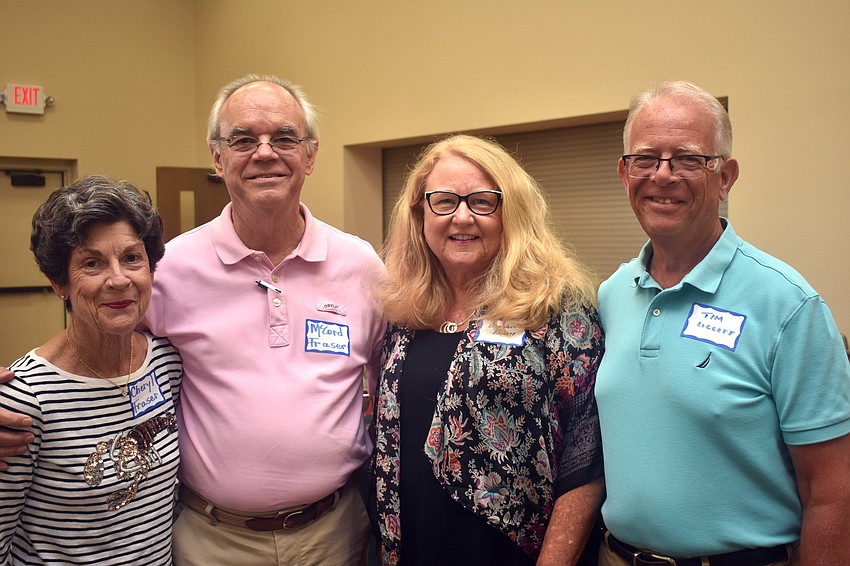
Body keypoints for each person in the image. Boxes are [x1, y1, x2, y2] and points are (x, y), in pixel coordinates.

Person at [1, 75, 385, 566]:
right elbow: (98, 338)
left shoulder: (360, 266)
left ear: (310, 155)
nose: (264, 152)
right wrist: (20, 390)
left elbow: (395, 377)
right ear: (217, 158)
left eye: (284, 137)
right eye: (243, 140)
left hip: (333, 532)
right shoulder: (169, 268)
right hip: (211, 540)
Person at [595, 80, 850, 566]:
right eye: (646, 159)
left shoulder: (788, 305)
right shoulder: (612, 294)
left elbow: (832, 492)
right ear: (625, 173)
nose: (663, 176)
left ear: (726, 176)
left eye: (688, 159)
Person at [371, 134, 604, 566]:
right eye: (443, 201)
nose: (462, 217)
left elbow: (586, 452)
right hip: (414, 544)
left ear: (509, 212)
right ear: (420, 213)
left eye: (482, 201)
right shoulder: (404, 311)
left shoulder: (555, 305)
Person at [0, 175, 182, 564]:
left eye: (132, 258)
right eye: (92, 263)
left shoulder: (167, 363)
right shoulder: (25, 398)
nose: (118, 279)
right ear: (58, 282)